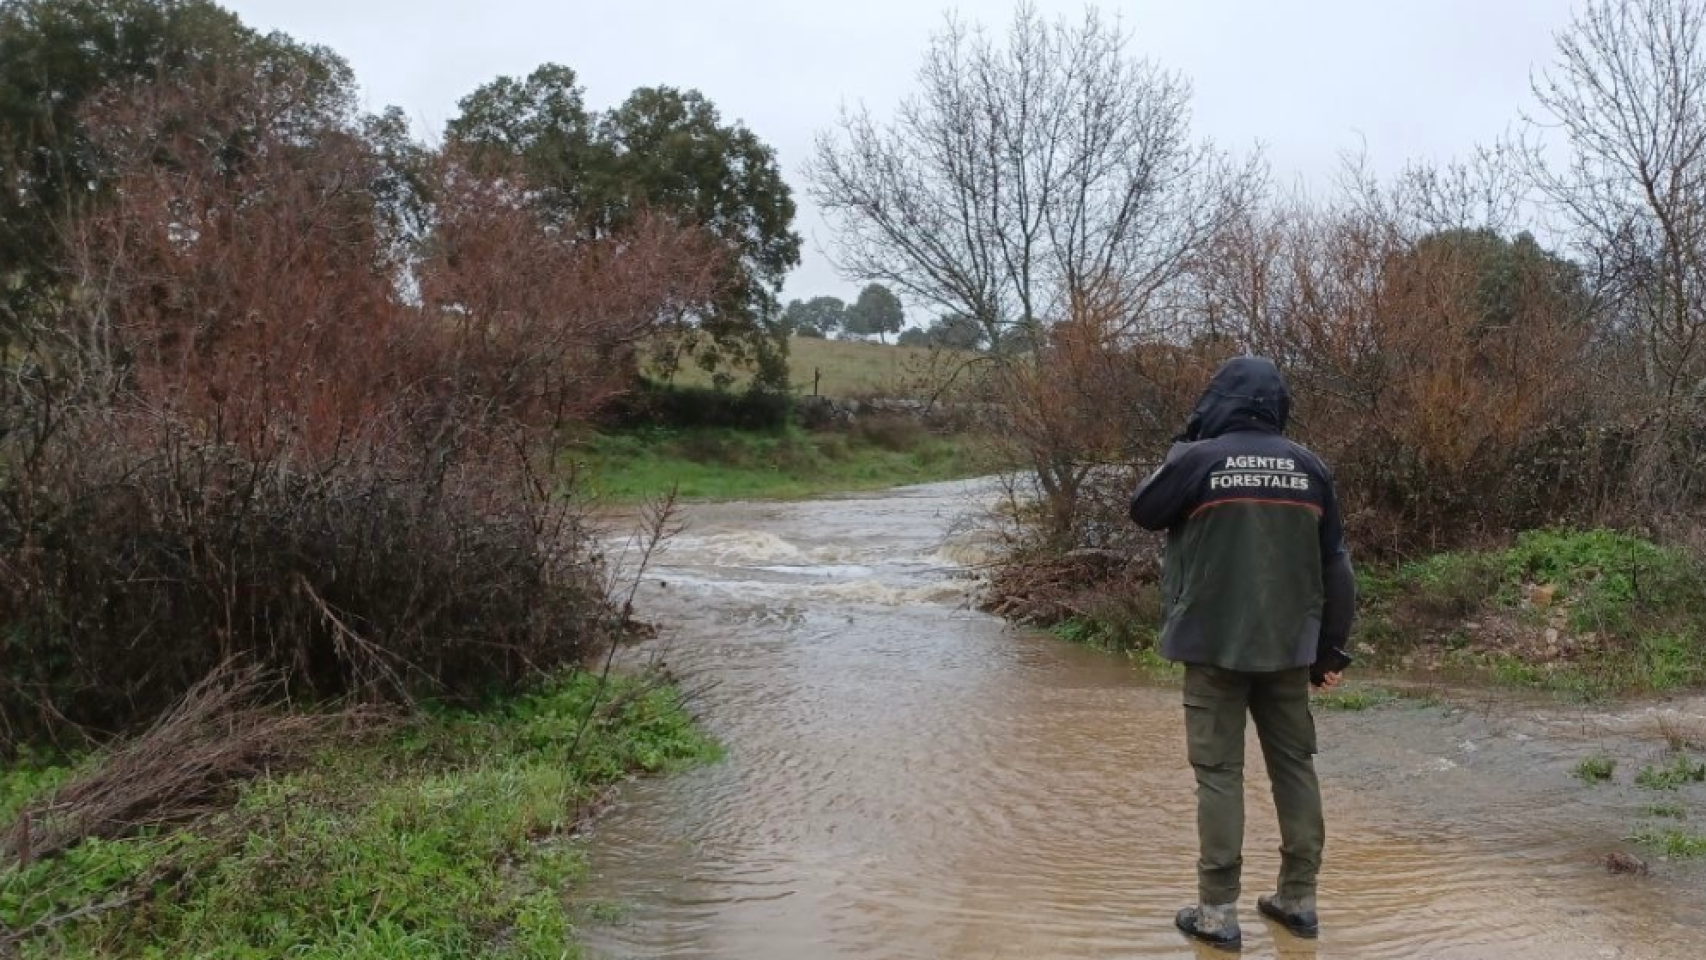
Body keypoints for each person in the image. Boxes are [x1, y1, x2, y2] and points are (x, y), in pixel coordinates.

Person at [1129, 356, 1355, 952]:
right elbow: (1337, 564)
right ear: (1277, 403)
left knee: (1219, 777)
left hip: (1211, 649)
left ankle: (1217, 915)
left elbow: (1143, 509)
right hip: (1289, 650)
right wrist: (1330, 650)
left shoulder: (1198, 460)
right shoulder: (1311, 467)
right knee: (1295, 769)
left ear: (1218, 400)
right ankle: (1299, 901)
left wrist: (1186, 441)